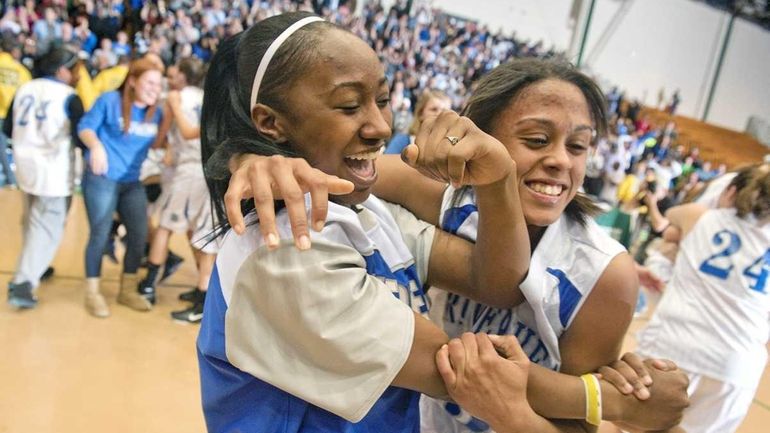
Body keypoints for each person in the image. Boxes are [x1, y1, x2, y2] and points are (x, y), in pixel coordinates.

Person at [225, 44, 690, 433]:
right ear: (479, 137)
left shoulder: (606, 273)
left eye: (578, 146)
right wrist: (252, 158)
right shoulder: (439, 196)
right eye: (535, 139)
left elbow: (578, 425)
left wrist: (534, 408)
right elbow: (330, 173)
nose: (559, 161)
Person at [197, 12, 532, 433]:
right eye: (350, 106)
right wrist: (607, 402)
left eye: (383, 99)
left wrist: (500, 177)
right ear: (270, 122)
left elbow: (495, 281)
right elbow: (463, 373)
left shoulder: (367, 212)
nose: (380, 126)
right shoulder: (284, 245)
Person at [636, 163, 770, 433]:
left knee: (627, 426)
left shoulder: (699, 216)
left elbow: (670, 219)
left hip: (675, 345)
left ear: (731, 191)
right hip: (738, 365)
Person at [77, 57, 165, 317]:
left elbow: (161, 143)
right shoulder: (109, 101)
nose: (154, 89)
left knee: (139, 235)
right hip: (102, 178)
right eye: (149, 82)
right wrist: (95, 147)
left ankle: (127, 289)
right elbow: (85, 128)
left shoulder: (156, 112)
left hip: (131, 181)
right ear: (133, 81)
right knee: (100, 233)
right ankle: (92, 293)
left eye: (158, 85)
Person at [136, 57, 215, 323]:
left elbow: (166, 136)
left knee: (165, 228)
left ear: (181, 75)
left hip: (190, 169)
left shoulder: (176, 97)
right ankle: (204, 292)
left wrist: (163, 138)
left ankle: (148, 284)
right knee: (199, 232)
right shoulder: (208, 97)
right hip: (207, 169)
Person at [5, 47, 83, 309]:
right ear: (61, 70)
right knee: (47, 227)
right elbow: (80, 136)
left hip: (25, 164)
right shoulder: (69, 96)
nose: (75, 74)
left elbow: (6, 127)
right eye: (73, 69)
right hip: (53, 169)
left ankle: (34, 267)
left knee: (31, 221)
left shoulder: (25, 88)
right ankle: (24, 281)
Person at [0, 35, 31, 187]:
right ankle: (13, 179)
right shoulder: (22, 71)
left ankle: (11, 179)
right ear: (14, 51)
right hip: (13, 117)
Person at [384, 89, 450, 155]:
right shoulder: (404, 139)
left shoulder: (449, 143)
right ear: (420, 113)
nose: (440, 114)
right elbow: (384, 163)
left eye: (444, 111)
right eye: (434, 109)